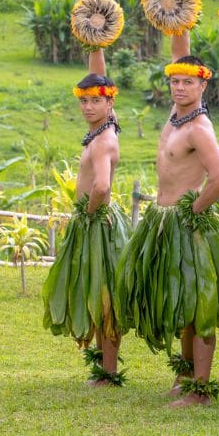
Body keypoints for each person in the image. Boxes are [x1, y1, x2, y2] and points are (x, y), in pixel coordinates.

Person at [116, 32, 219, 407]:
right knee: (182, 303)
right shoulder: (175, 116)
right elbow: (180, 52)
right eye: (175, 81)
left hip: (189, 223)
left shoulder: (198, 128)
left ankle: (200, 390)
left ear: (202, 85)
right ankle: (184, 377)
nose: (180, 87)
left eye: (188, 82)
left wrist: (194, 210)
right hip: (164, 221)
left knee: (199, 307)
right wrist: (177, 24)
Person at [43, 48, 131, 386]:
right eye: (83, 101)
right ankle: (104, 368)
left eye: (95, 101)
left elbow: (102, 185)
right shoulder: (106, 127)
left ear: (109, 103)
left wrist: (89, 214)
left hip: (97, 223)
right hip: (94, 220)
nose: (88, 107)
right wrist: (96, 44)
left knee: (104, 295)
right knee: (96, 292)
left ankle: (109, 372)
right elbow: (100, 75)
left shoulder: (103, 140)